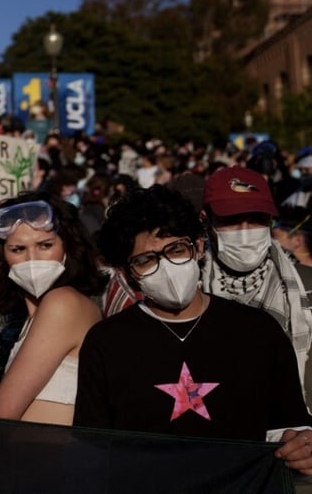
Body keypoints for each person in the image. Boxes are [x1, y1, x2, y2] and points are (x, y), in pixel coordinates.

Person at [75, 185, 312, 476]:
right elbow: (92, 451)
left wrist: (300, 447)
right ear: (127, 273)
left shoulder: (259, 331)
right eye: (146, 260)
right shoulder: (107, 342)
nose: (166, 267)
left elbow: (292, 428)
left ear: (199, 247)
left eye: (176, 249)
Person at [0, 193, 105, 425]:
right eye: (18, 249)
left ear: (68, 246)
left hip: (53, 456)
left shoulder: (62, 303)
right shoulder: (33, 316)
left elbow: (3, 409)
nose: (32, 259)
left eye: (45, 245)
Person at [198, 166, 312, 406]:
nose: (245, 231)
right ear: (206, 221)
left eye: (257, 219)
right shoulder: (188, 292)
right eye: (231, 220)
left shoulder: (306, 285)